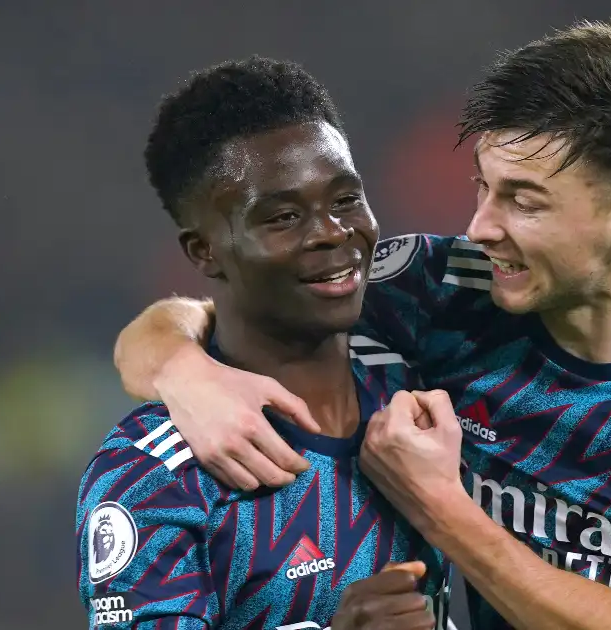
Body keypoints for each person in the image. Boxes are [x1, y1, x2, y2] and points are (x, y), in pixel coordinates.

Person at [115, 21, 611, 630]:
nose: (480, 227)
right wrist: (188, 373)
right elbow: (204, 311)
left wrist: (439, 504)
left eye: (524, 202)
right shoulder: (442, 290)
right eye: (483, 188)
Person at [76, 57, 450, 630]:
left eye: (346, 199)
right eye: (282, 217)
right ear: (204, 253)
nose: (332, 231)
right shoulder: (155, 472)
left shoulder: (422, 379)